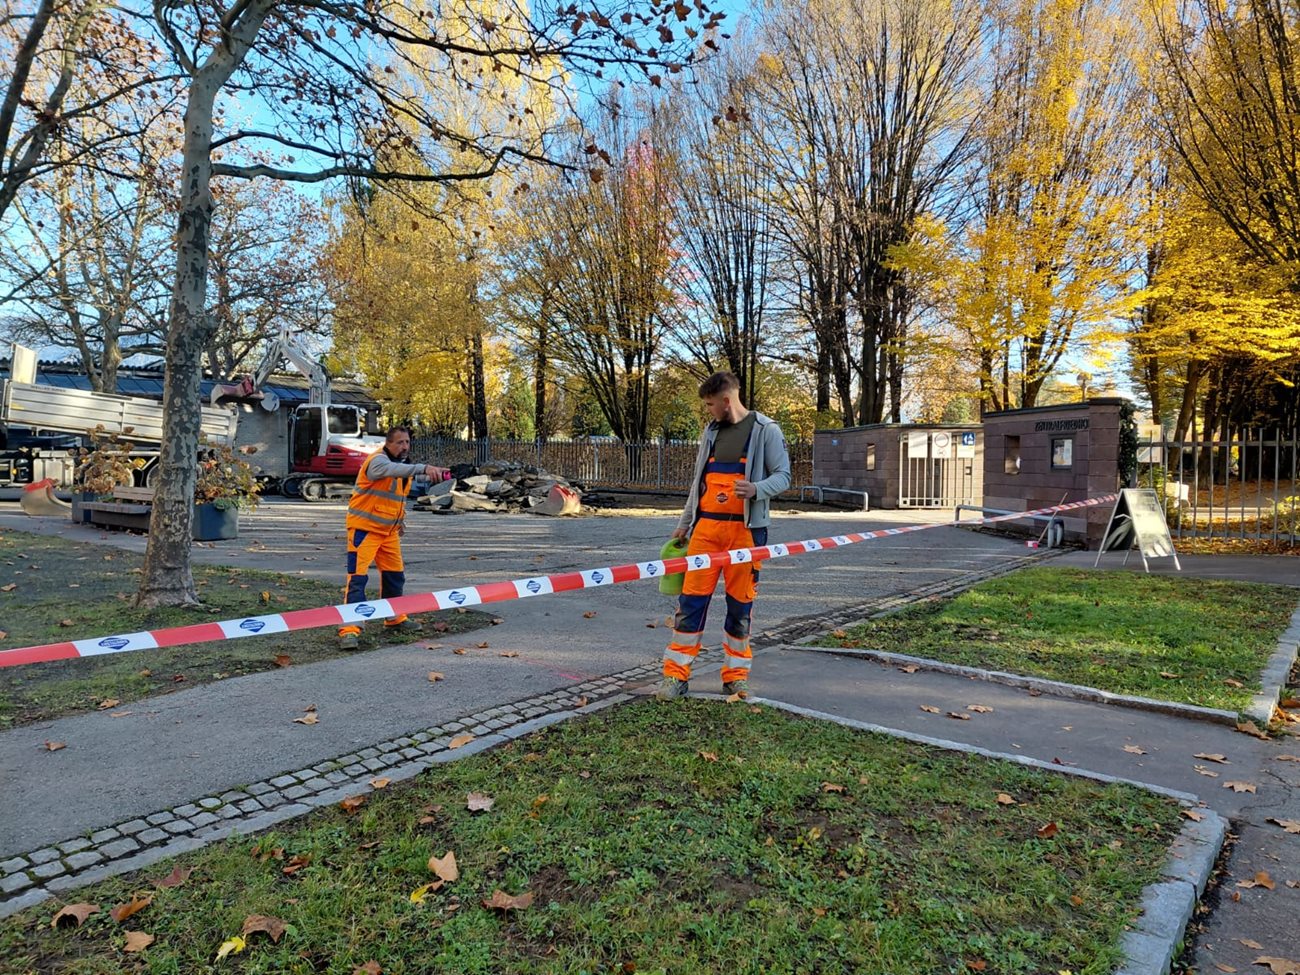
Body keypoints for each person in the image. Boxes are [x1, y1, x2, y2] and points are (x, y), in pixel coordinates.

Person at [657, 371, 791, 700]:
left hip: (746, 534)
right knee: (690, 603)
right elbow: (697, 481)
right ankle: (675, 676)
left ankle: (735, 677)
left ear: (726, 401)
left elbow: (784, 476)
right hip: (705, 531)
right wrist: (685, 522)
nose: (708, 411)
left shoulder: (766, 431)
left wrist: (757, 489)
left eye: (710, 404)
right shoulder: (711, 431)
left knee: (740, 607)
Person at [337, 426, 448, 650]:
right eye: (400, 442)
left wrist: (400, 520)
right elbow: (389, 470)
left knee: (395, 577)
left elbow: (394, 498)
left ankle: (394, 618)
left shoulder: (401, 466)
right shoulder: (377, 461)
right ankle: (350, 629)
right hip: (364, 531)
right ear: (388, 443)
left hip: (388, 533)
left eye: (407, 442)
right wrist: (424, 468)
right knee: (357, 579)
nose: (405, 446)